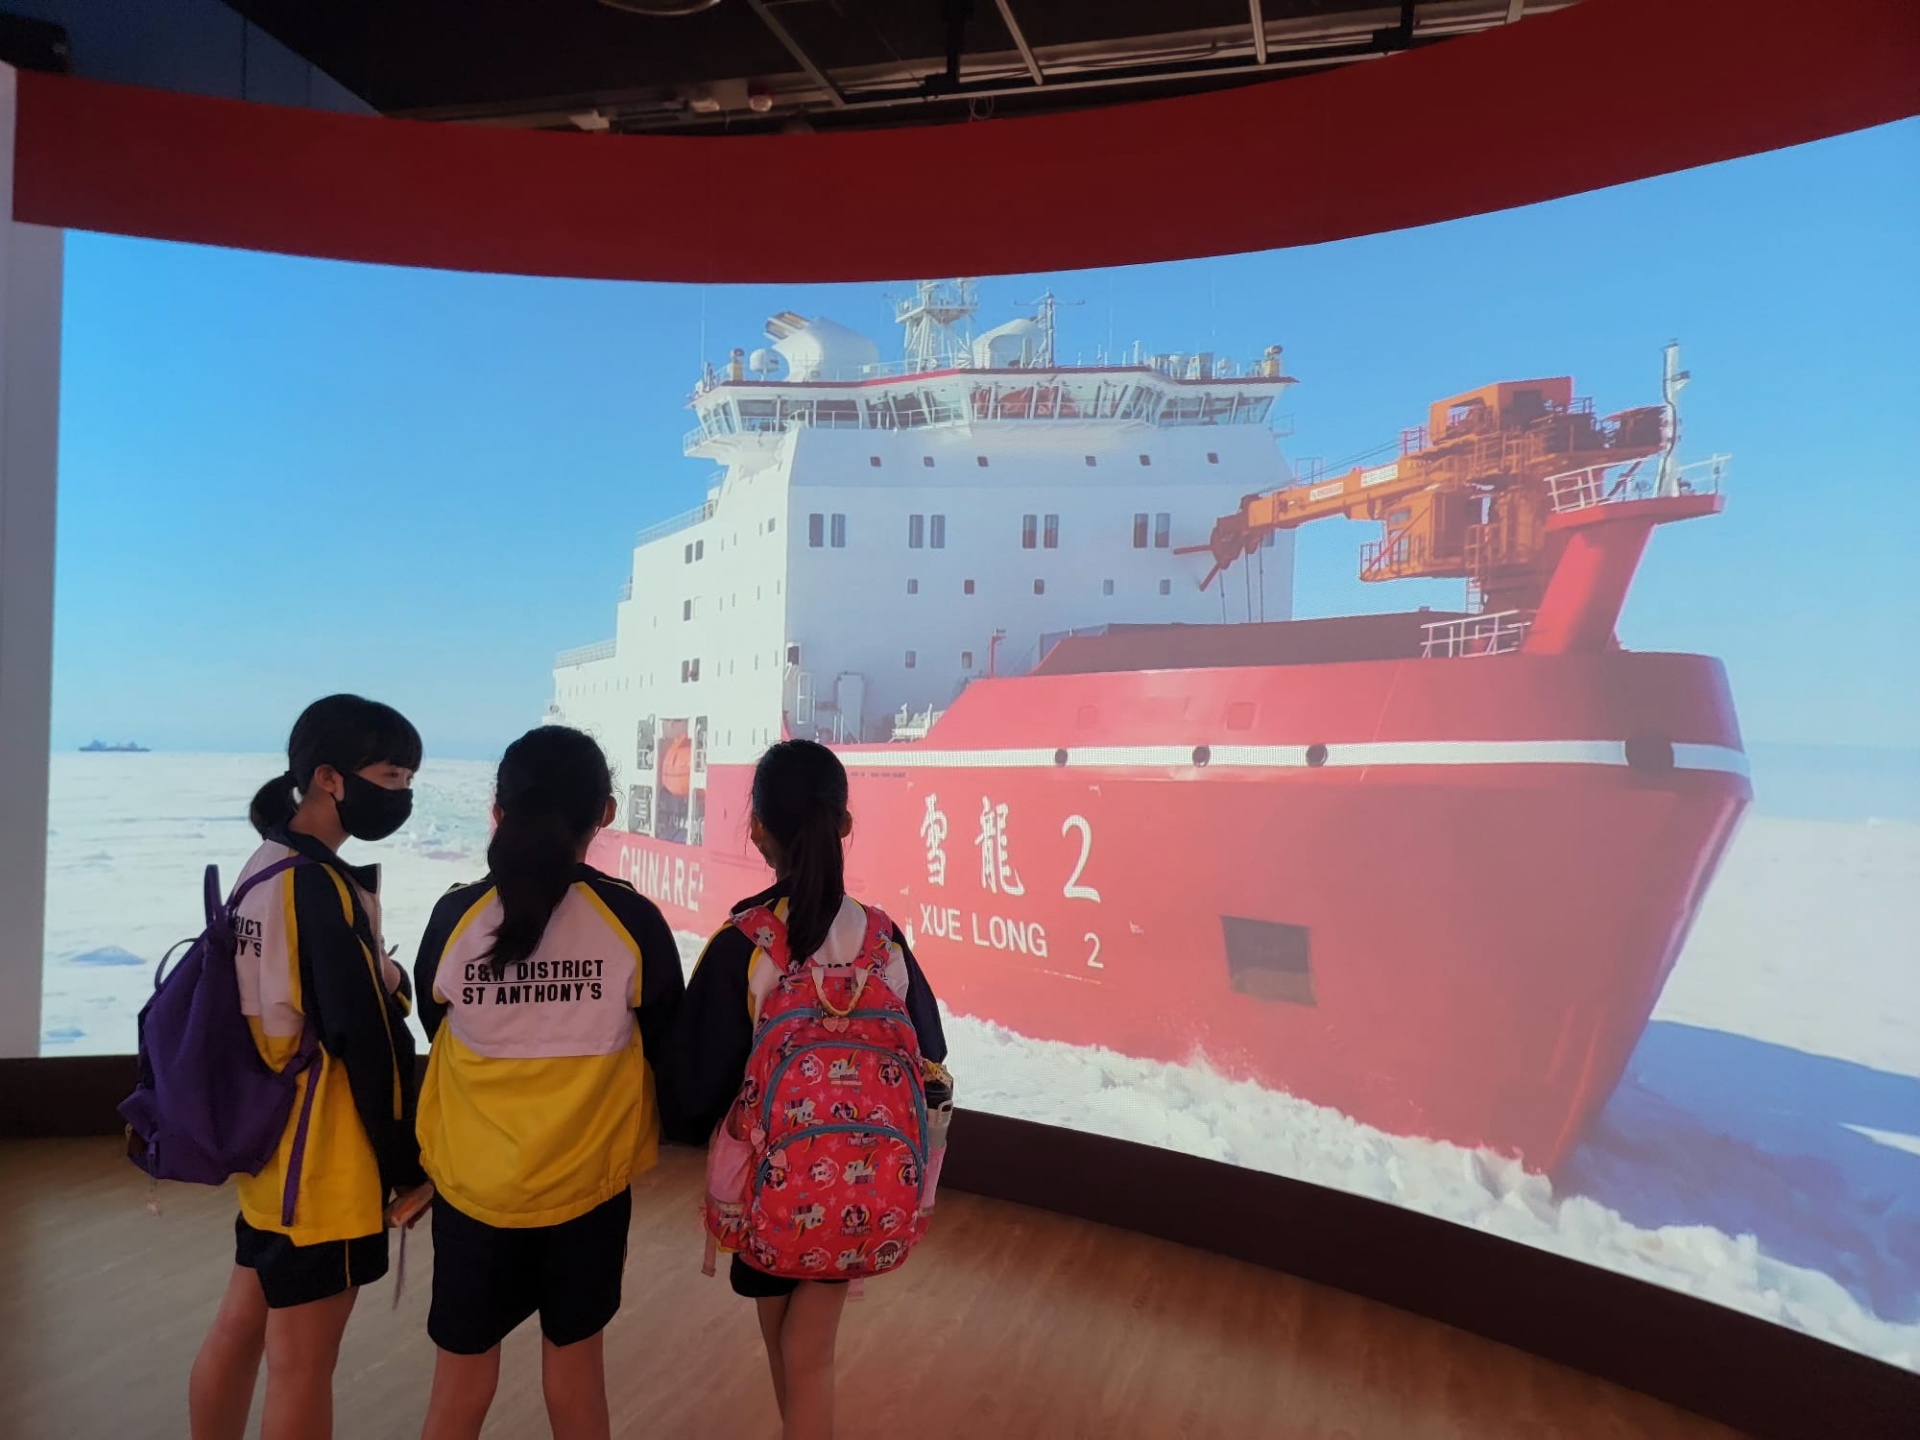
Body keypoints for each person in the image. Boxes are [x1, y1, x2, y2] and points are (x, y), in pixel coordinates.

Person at [412, 725, 684, 1440]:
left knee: (458, 1391)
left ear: (498, 810)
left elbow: (433, 1022)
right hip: (587, 1193)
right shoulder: (631, 921)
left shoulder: (455, 917)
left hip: (473, 1192)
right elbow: (666, 1041)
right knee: (575, 1379)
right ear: (605, 814)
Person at [671, 739, 948, 1440]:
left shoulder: (744, 943)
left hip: (765, 1189)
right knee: (805, 1354)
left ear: (757, 829)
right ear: (843, 823)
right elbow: (932, 1057)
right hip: (866, 1190)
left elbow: (694, 1088)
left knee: (791, 1348)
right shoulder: (884, 941)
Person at [189, 694, 430, 1440]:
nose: (402, 793)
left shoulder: (264, 866)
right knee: (301, 1364)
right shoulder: (318, 886)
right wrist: (406, 1162)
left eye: (408, 778)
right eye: (390, 776)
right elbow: (365, 1037)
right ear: (328, 777)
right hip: (324, 1163)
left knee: (240, 1327)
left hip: (271, 1153)